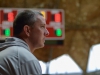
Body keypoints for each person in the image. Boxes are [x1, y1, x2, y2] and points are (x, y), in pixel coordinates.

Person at [0, 10, 49, 75]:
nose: (47, 33)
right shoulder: (26, 59)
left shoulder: (6, 52)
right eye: (42, 27)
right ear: (27, 30)